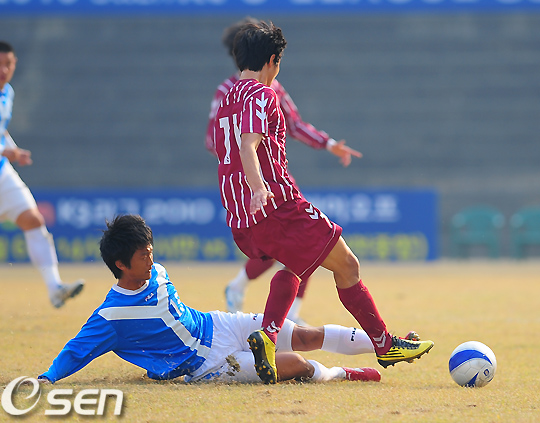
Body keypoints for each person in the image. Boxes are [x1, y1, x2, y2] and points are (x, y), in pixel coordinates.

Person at [213, 21, 434, 384]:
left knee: (297, 266)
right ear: (272, 60)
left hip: (242, 218)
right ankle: (384, 345)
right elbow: (248, 145)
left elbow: (225, 149)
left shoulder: (226, 99)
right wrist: (258, 188)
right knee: (347, 264)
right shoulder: (262, 94)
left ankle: (268, 337)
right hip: (278, 206)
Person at [37, 214, 396, 385]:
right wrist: (47, 377)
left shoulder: (157, 271)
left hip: (220, 323)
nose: (151, 258)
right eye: (143, 255)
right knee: (298, 364)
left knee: (305, 334)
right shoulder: (112, 315)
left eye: (150, 251)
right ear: (120, 264)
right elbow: (77, 350)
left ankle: (390, 344)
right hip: (208, 363)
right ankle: (343, 374)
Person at [206, 17, 363, 325]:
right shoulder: (230, 92)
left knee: (301, 244)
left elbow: (294, 123)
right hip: (251, 187)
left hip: (270, 182)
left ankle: (280, 314)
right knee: (301, 242)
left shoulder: (270, 88)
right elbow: (218, 141)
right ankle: (269, 311)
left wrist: (328, 143)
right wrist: (246, 170)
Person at [0, 41, 84, 308]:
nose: (3, 70)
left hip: (2, 172)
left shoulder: (7, 92)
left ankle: (55, 288)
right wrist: (6, 152)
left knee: (33, 220)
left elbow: (1, 129)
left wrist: (13, 150)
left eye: (8, 64)